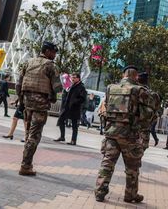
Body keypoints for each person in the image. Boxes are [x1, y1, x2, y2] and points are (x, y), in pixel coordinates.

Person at [94, 65, 153, 203]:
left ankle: (99, 192)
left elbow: (106, 107)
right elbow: (147, 114)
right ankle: (130, 195)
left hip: (111, 133)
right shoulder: (139, 90)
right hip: (130, 135)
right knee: (132, 167)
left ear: (123, 75)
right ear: (136, 76)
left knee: (107, 163)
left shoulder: (110, 88)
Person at [16, 41, 62, 176]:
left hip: (27, 104)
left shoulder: (28, 62)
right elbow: (57, 87)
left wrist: (21, 99)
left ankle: (27, 163)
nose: (54, 55)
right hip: (40, 106)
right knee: (34, 136)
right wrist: (53, 95)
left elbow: (19, 84)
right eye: (53, 52)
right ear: (47, 51)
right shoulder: (50, 66)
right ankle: (25, 166)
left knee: (28, 134)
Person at [54, 72, 87, 145]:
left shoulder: (81, 87)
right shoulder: (71, 85)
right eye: (72, 77)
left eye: (74, 77)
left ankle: (73, 140)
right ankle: (62, 136)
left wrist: (74, 102)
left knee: (74, 125)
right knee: (61, 120)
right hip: (66, 107)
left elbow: (83, 98)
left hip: (74, 109)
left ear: (78, 78)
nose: (72, 79)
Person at [137, 72, 160, 151]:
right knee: (137, 157)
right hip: (145, 129)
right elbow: (155, 112)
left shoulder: (133, 91)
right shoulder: (154, 95)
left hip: (129, 129)